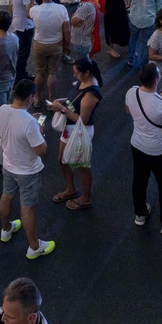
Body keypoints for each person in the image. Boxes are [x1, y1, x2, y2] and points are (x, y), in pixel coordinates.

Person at [0, 80, 54, 259]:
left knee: (6, 195)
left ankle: (6, 229)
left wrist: (31, 122)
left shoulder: (1, 111)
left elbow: (10, 130)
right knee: (27, 209)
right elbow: (41, 150)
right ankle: (34, 247)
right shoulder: (29, 123)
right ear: (30, 97)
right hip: (28, 171)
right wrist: (40, 131)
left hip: (9, 164)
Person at [125, 64, 162, 234]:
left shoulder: (131, 92)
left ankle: (140, 214)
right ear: (156, 79)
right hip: (160, 151)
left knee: (139, 180)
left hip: (137, 145)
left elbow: (128, 111)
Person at [48, 57, 102, 210]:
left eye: (77, 73)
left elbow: (83, 120)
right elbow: (75, 100)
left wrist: (63, 109)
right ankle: (71, 189)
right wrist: (64, 101)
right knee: (62, 160)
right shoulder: (83, 81)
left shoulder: (91, 92)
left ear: (87, 73)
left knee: (82, 165)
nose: (74, 76)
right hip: (70, 129)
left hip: (80, 131)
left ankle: (86, 198)